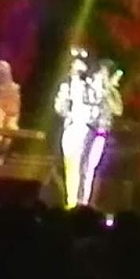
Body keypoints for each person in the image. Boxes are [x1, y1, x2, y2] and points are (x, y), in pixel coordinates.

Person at [54, 50, 96, 207]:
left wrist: (89, 118)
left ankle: (83, 201)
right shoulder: (66, 86)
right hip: (71, 126)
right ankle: (72, 200)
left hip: (85, 128)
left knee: (85, 166)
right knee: (71, 164)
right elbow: (59, 106)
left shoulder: (90, 87)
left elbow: (95, 107)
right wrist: (68, 112)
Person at [82, 58, 125, 207]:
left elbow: (118, 110)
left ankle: (86, 202)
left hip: (100, 133)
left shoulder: (112, 93)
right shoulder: (91, 88)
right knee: (81, 167)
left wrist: (108, 91)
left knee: (91, 168)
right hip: (85, 130)